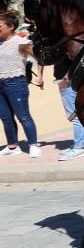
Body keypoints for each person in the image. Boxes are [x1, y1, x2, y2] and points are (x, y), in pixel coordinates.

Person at [0, 11, 42, 158]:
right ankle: (12, 146)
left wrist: (40, 75)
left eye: (0, 26)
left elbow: (40, 58)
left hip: (16, 83)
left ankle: (33, 145)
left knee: (23, 116)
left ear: (11, 26)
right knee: (5, 118)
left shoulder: (20, 42)